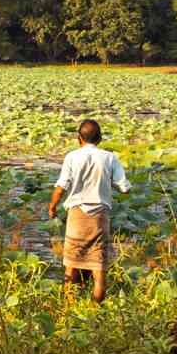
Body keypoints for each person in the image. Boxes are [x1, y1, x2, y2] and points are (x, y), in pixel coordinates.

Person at [47, 117, 130, 302]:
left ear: (79, 138)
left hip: (76, 216)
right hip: (99, 218)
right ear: (100, 139)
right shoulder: (110, 158)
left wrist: (52, 207)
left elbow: (61, 187)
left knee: (71, 266)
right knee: (99, 269)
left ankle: (70, 309)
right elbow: (125, 188)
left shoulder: (72, 157)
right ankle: (95, 312)